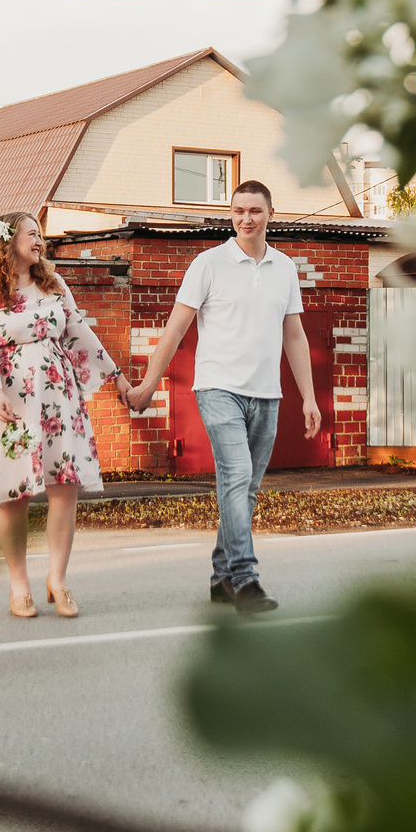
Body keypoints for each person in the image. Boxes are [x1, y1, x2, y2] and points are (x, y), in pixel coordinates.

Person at [120, 181, 319, 614]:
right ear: (231, 215)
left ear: (271, 214)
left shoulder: (284, 268)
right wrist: (151, 382)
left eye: (255, 210)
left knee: (244, 487)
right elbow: (175, 329)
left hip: (267, 393)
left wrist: (309, 397)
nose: (246, 218)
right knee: (237, 475)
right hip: (218, 388)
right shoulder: (208, 264)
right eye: (238, 210)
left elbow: (295, 334)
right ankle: (246, 579)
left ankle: (220, 577)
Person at [0, 210, 123, 619]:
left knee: (63, 486)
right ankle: (19, 585)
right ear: (8, 241)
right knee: (13, 493)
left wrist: (117, 376)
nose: (40, 240)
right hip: (10, 401)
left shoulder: (52, 284)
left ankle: (59, 580)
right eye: (32, 234)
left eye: (40, 235)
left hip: (57, 396)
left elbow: (80, 332)